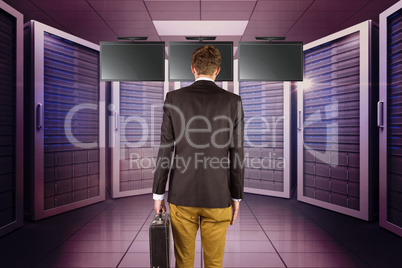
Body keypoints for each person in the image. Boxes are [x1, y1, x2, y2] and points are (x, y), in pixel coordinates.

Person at [152, 44, 244, 268]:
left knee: (183, 262)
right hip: (218, 196)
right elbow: (237, 153)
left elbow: (166, 148)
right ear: (218, 70)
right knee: (214, 262)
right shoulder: (233, 102)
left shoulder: (173, 98)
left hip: (182, 197)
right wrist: (236, 197)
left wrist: (158, 194)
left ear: (192, 69)